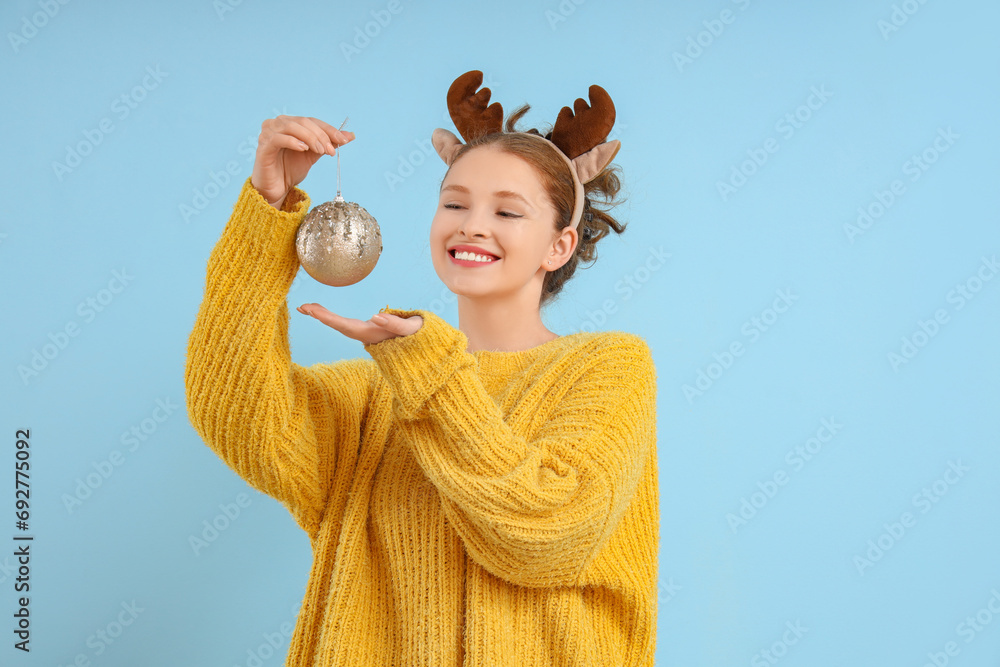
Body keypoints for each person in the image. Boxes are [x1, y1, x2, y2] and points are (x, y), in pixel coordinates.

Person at [184, 70, 659, 666]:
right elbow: (236, 416)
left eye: (507, 212)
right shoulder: (374, 390)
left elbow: (546, 535)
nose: (470, 224)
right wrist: (268, 207)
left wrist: (426, 369)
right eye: (454, 203)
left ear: (558, 246)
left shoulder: (608, 366)